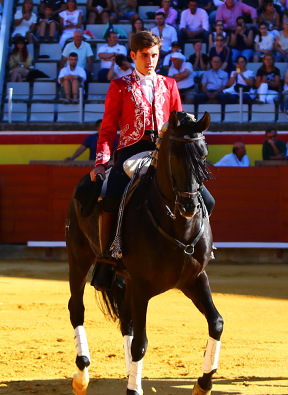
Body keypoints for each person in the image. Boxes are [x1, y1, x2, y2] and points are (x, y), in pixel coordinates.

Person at [89, 31, 214, 291]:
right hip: (131, 151)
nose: (150, 61)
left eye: (154, 55)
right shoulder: (120, 86)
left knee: (207, 200)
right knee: (112, 195)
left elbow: (178, 122)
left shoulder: (169, 84)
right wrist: (101, 161)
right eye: (144, 55)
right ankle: (107, 259)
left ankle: (198, 248)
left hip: (164, 153)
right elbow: (108, 128)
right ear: (133, 55)